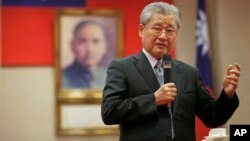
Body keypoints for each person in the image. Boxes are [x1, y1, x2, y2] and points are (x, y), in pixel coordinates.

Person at [101, 2, 241, 141]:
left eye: (169, 30)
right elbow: (110, 112)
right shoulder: (122, 68)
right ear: (141, 30)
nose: (163, 36)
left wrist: (227, 94)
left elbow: (212, 118)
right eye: (157, 28)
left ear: (176, 34)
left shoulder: (189, 73)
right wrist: (154, 99)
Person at [62, 20, 108, 89]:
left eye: (96, 41)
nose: (90, 49)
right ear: (72, 45)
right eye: (82, 41)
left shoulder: (110, 77)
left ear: (104, 46)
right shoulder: (61, 77)